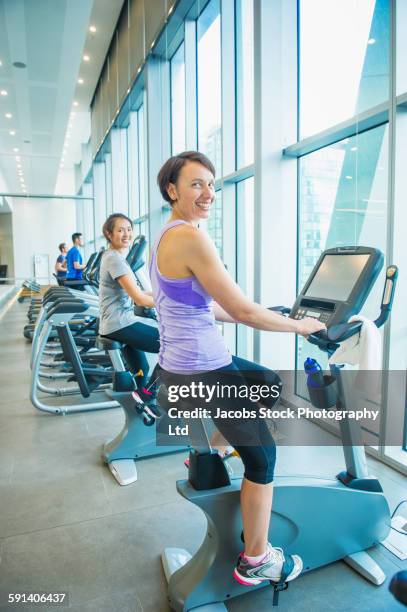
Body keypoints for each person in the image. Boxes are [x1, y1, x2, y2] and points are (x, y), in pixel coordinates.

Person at [151, 151, 326, 586]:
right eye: (196, 184)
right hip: (202, 369)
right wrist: (297, 325)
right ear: (172, 190)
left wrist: (267, 312)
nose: (208, 193)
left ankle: (216, 446)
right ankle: (257, 559)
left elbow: (206, 305)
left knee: (266, 381)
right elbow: (242, 311)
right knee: (264, 456)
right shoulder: (191, 238)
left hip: (181, 366)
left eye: (212, 184)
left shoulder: (169, 235)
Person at [98, 213, 160, 401]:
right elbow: (139, 299)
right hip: (120, 324)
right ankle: (148, 395)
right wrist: (172, 301)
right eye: (120, 230)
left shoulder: (112, 256)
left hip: (115, 324)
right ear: (109, 234)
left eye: (129, 229)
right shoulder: (115, 260)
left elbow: (140, 294)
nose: (126, 234)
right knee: (176, 345)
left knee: (143, 369)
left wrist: (164, 295)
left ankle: (143, 402)